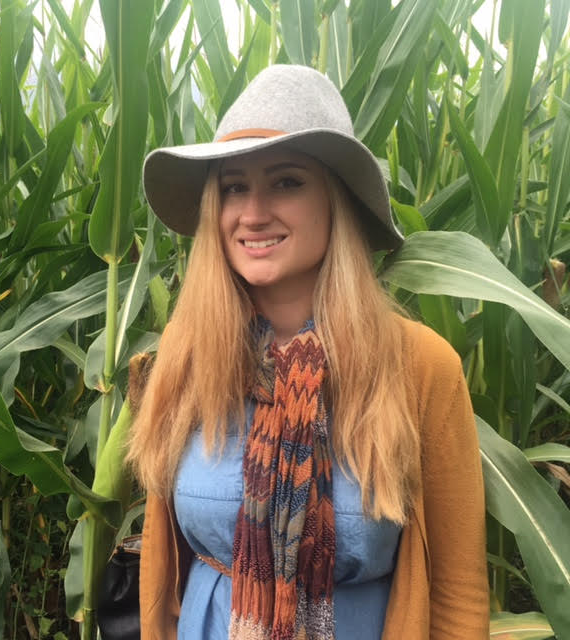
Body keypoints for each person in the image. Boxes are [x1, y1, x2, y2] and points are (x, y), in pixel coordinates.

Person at [126, 65, 489, 639]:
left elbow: (458, 590)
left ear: (336, 201)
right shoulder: (189, 356)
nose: (252, 212)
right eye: (233, 186)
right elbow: (163, 567)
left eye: (287, 182)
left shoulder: (418, 367)